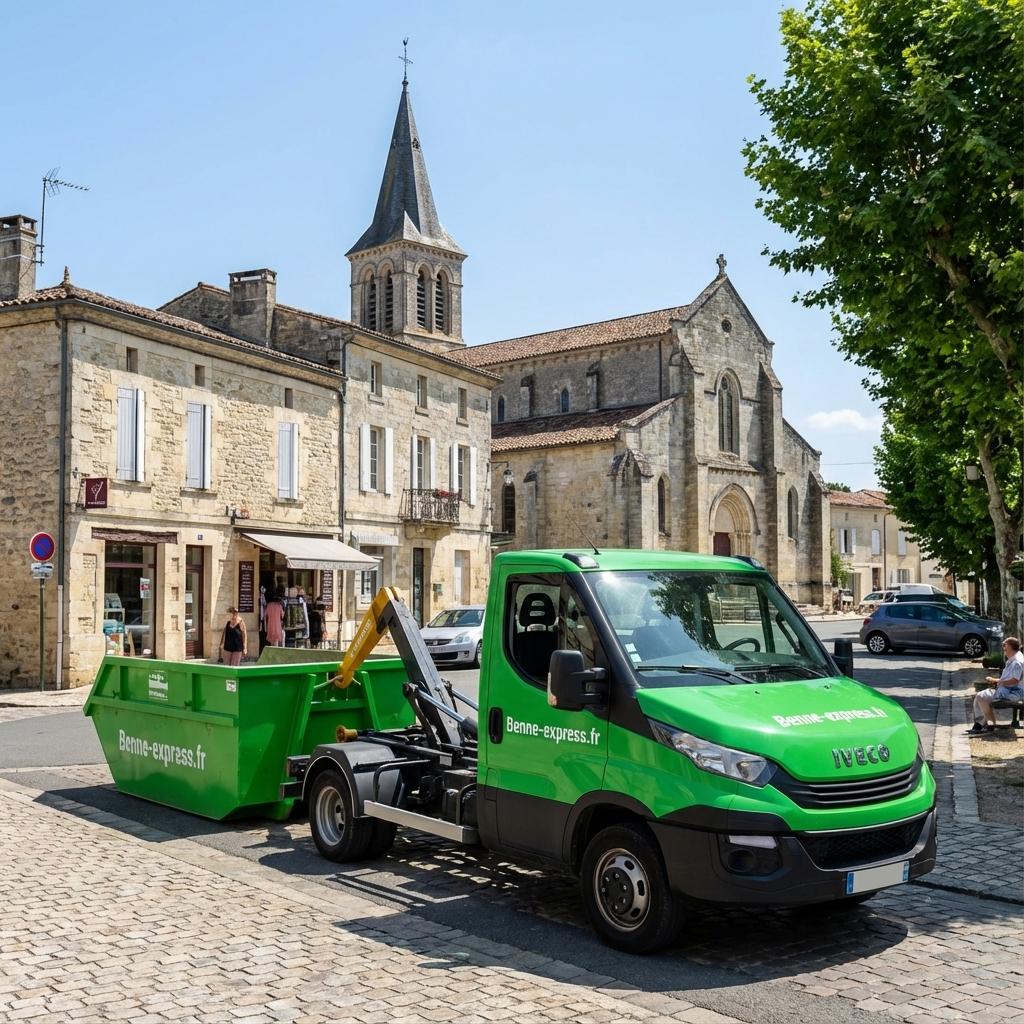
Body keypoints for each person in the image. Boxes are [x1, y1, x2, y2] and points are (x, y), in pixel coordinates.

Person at [968, 636, 1024, 734]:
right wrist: (997, 681)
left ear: (1010, 646)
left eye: (1005, 645)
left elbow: (1015, 680)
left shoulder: (1016, 662)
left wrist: (996, 681)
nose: (1004, 648)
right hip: (1008, 690)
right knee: (978, 697)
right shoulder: (1015, 658)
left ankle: (990, 725)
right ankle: (979, 725)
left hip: (1012, 693)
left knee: (981, 696)